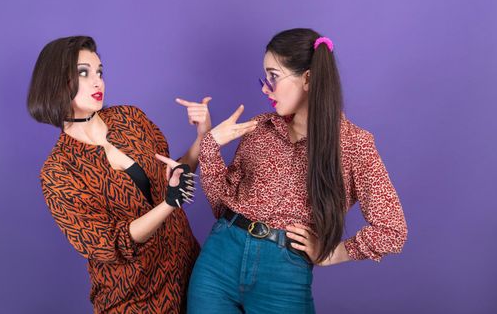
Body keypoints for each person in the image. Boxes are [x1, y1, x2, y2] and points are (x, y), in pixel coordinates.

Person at [187, 28, 408, 313]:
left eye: (274, 77)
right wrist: (209, 143)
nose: (265, 88)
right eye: (264, 78)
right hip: (218, 261)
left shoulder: (355, 145)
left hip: (283, 276)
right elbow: (221, 207)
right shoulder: (259, 129)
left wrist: (335, 253)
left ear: (307, 79)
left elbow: (391, 229)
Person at [27, 36, 209, 313]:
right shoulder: (58, 170)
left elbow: (174, 176)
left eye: (99, 72)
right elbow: (111, 243)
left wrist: (203, 135)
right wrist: (169, 203)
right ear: (56, 82)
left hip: (189, 272)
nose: (97, 81)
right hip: (134, 298)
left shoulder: (129, 119)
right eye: (83, 73)